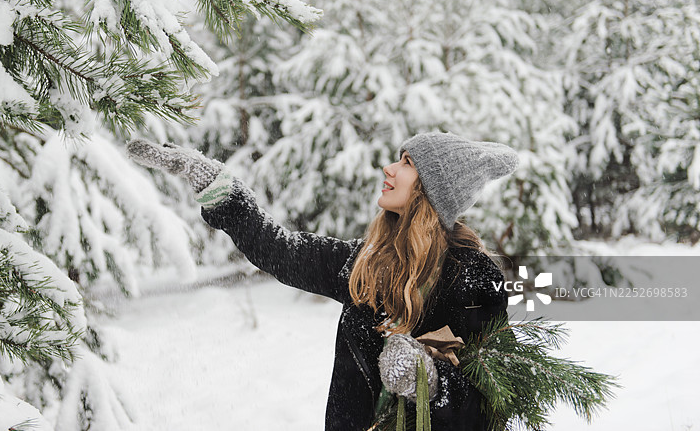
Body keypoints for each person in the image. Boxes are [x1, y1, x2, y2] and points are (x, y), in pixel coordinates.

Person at [127, 132, 518, 431]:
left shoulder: (475, 279)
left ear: (434, 189)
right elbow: (279, 249)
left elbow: (496, 402)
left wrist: (430, 381)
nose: (390, 169)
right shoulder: (365, 264)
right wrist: (218, 186)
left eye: (407, 162)